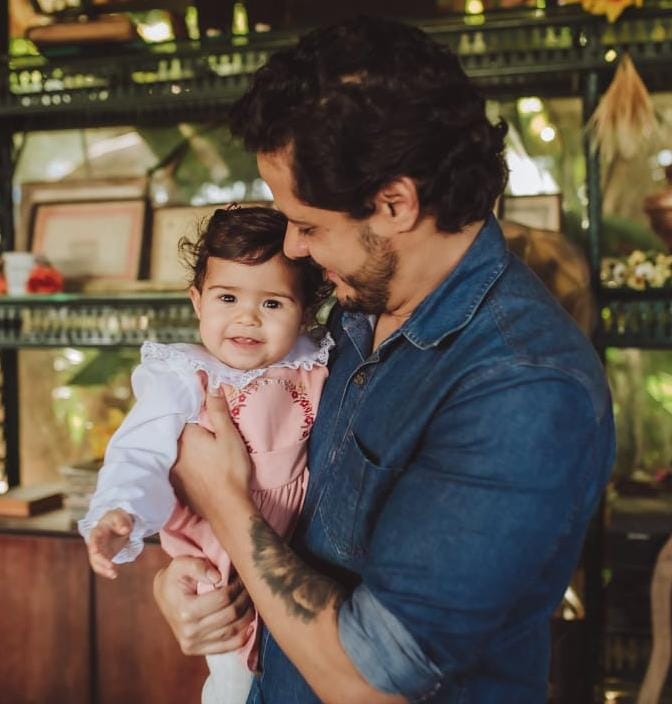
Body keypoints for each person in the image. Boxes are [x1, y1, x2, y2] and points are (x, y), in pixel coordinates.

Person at [153, 16, 616, 704]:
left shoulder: (523, 388)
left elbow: (374, 681)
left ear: (395, 203)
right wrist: (185, 580)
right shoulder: (357, 308)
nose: (295, 249)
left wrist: (222, 504)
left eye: (309, 225)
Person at [79, 205, 333, 704]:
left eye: (273, 303)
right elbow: (140, 452)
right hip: (216, 564)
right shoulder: (183, 376)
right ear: (197, 302)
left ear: (305, 312)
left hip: (295, 558)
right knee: (234, 683)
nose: (247, 318)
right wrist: (120, 510)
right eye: (227, 297)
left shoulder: (313, 362)